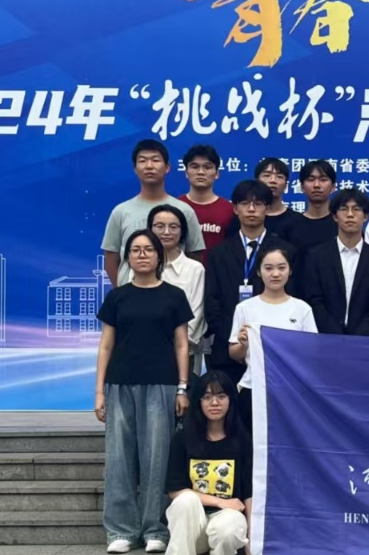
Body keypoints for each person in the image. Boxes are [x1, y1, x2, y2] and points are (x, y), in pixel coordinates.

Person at [94, 229, 192, 554]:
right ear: (127, 258)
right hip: (120, 383)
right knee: (119, 457)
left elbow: (182, 345)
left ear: (159, 256)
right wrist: (99, 392)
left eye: (148, 249)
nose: (142, 255)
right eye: (135, 250)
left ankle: (155, 529)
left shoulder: (174, 296)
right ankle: (121, 530)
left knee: (157, 457)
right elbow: (106, 345)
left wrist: (182, 387)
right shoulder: (117, 297)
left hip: (163, 384)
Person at [163, 371, 252, 555]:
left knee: (228, 527)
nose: (214, 403)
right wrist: (219, 501)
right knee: (185, 500)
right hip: (192, 524)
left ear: (231, 400)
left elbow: (250, 494)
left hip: (228, 521)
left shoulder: (243, 441)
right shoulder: (183, 439)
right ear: (198, 402)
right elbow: (174, 491)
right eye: (207, 397)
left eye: (221, 396)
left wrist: (252, 541)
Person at [202, 180, 293, 386]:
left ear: (267, 209)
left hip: (273, 353)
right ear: (235, 209)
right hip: (227, 351)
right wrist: (234, 337)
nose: (251, 209)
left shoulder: (285, 251)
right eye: (245, 203)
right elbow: (212, 301)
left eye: (258, 204)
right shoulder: (219, 253)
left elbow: (291, 296)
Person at [228, 244, 318, 419]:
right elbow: (234, 353)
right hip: (253, 387)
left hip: (292, 389)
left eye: (281, 268)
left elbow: (312, 352)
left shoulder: (302, 309)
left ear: (290, 271)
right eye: (268, 268)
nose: (275, 274)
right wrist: (243, 345)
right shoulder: (245, 308)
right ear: (259, 272)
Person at [101, 139, 205, 286]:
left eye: (155, 160)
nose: (149, 166)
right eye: (142, 161)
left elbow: (195, 255)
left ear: (167, 167)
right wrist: (121, 290)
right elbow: (111, 257)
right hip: (131, 294)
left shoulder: (184, 210)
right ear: (135, 169)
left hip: (175, 294)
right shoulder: (121, 212)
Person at [301, 188, 369, 337]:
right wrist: (335, 334)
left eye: (356, 209)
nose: (350, 215)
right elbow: (314, 300)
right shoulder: (316, 256)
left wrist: (358, 337)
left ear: (365, 216)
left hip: (365, 340)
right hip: (325, 338)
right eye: (343, 209)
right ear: (335, 216)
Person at [130, 205, 206, 375]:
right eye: (159, 226)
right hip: (141, 353)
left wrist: (170, 344)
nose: (166, 232)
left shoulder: (195, 269)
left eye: (173, 227)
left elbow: (196, 317)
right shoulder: (138, 267)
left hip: (184, 353)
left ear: (182, 231)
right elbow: (131, 308)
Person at [179, 144, 234, 259]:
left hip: (219, 269)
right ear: (186, 172)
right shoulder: (175, 207)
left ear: (217, 173)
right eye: (194, 167)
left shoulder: (230, 210)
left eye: (207, 167)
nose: (201, 172)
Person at [287, 159, 339, 254]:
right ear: (302, 187)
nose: (316, 185)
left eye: (323, 180)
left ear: (333, 187)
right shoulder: (290, 226)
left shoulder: (341, 224)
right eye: (311, 180)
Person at [255, 157, 298, 244]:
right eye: (267, 175)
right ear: (256, 181)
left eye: (279, 176)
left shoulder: (297, 221)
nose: (273, 180)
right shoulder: (244, 218)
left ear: (286, 186)